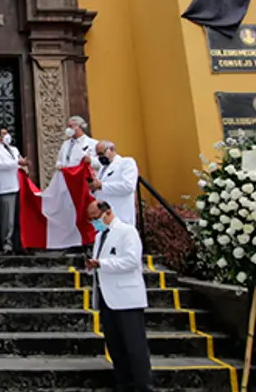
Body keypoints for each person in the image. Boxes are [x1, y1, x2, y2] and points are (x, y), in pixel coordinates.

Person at [85, 200, 153, 392]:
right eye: (91, 220)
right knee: (116, 347)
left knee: (135, 347)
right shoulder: (100, 237)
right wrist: (93, 266)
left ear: (107, 212)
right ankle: (123, 384)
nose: (94, 222)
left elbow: (132, 261)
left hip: (127, 298)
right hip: (107, 298)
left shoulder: (127, 231)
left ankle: (143, 386)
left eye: (95, 218)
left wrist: (103, 264)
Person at [0, 127, 28, 255]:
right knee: (7, 219)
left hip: (19, 185)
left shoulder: (14, 149)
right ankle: (7, 245)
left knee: (19, 218)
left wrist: (24, 165)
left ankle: (19, 244)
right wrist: (17, 163)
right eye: (3, 134)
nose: (6, 135)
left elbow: (21, 163)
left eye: (7, 133)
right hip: (5, 188)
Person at [89, 140, 139, 226]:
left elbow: (128, 186)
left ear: (111, 149)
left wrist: (102, 186)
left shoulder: (126, 163)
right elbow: (99, 191)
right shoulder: (102, 169)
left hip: (121, 216)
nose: (100, 157)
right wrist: (93, 188)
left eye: (102, 153)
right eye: (98, 155)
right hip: (103, 219)